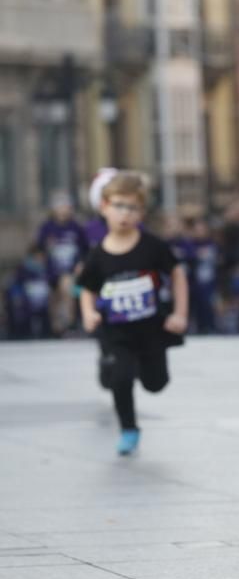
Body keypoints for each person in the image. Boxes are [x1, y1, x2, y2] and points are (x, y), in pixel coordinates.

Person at [77, 171, 188, 455]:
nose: (125, 214)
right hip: (117, 332)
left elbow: (176, 274)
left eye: (133, 207)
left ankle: (132, 367)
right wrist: (89, 313)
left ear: (142, 211)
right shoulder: (98, 255)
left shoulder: (152, 246)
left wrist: (179, 313)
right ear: (104, 207)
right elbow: (87, 288)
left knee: (155, 384)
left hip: (151, 328)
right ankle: (128, 428)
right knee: (120, 378)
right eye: (118, 206)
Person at [35, 191, 88, 336]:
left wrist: (81, 264)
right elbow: (39, 249)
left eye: (66, 206)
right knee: (54, 298)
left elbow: (84, 249)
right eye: (60, 206)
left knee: (67, 289)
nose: (64, 209)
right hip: (51, 270)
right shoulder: (47, 228)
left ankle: (69, 324)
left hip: (70, 270)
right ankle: (56, 327)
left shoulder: (76, 227)